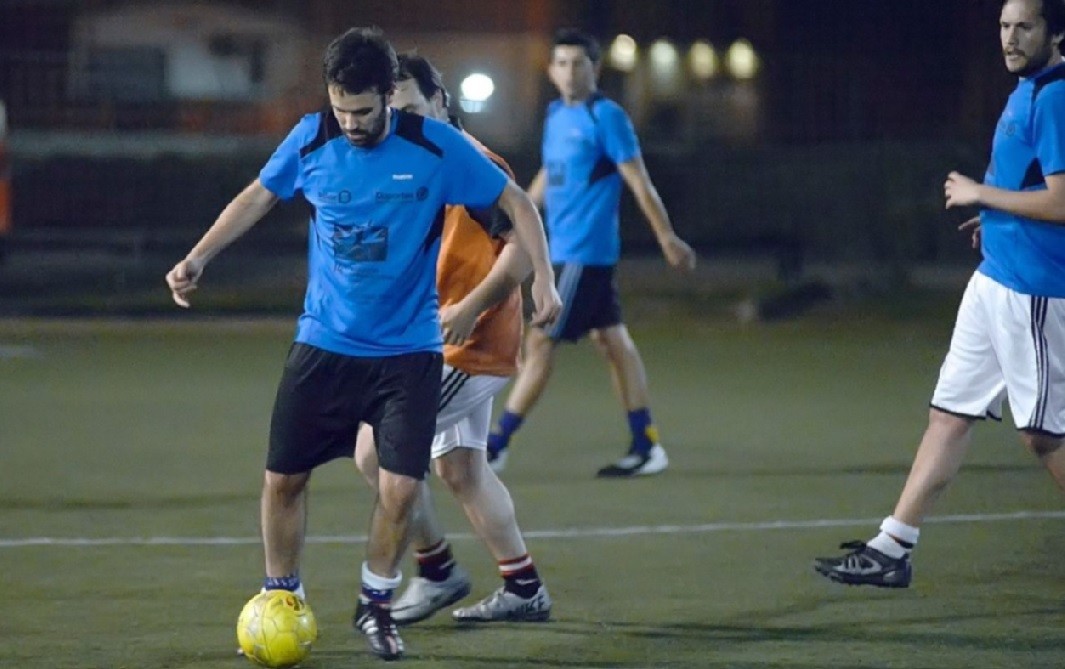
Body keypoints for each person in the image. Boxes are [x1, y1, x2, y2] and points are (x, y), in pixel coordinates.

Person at [164, 27, 560, 661]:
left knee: (398, 482)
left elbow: (516, 207)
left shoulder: (438, 148)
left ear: (388, 96)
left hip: (411, 351)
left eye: (364, 110)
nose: (351, 123)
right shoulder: (312, 136)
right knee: (284, 479)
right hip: (323, 343)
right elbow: (258, 196)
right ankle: (280, 594)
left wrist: (542, 280)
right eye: (341, 108)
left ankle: (378, 604)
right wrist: (198, 257)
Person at [814, 0, 1065, 588]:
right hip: (996, 279)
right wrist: (998, 218)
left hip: (1032, 291)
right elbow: (1025, 186)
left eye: (1024, 26)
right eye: (1003, 26)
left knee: (1045, 434)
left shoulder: (1055, 96)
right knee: (949, 414)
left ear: (1055, 31)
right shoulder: (1026, 87)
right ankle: (893, 547)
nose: (1009, 37)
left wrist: (982, 195)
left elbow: (1061, 200)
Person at [352, 52, 552, 626]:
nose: (404, 123)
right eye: (395, 114)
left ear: (441, 100)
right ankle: (523, 587)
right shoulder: (411, 163)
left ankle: (437, 571)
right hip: (437, 340)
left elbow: (519, 247)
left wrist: (470, 305)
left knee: (373, 446)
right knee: (463, 471)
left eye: (413, 109)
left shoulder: (469, 164)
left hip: (468, 343)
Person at [485, 28, 697, 478]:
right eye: (561, 63)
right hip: (563, 249)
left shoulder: (607, 117)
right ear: (551, 70)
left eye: (578, 63)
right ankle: (646, 445)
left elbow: (639, 181)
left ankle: (496, 444)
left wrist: (667, 237)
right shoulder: (555, 115)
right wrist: (516, 212)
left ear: (595, 69)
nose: (569, 71)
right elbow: (550, 174)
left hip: (583, 253)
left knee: (541, 338)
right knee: (612, 342)